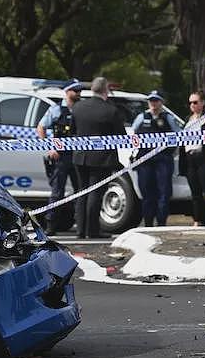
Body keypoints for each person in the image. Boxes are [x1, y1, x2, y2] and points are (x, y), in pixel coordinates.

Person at [71, 76, 126, 239]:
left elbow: (73, 130)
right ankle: (92, 230)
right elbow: (121, 136)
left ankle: (80, 230)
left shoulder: (78, 107)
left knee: (82, 193)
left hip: (80, 156)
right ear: (106, 90)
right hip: (102, 159)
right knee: (95, 193)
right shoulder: (110, 110)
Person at [36, 78, 84, 235]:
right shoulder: (56, 109)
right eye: (75, 90)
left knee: (80, 191)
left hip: (78, 156)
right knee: (57, 192)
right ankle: (51, 225)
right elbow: (41, 127)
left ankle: (81, 226)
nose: (78, 93)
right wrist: (49, 148)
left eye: (79, 90)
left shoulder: (81, 108)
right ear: (67, 92)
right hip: (61, 157)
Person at [131, 90, 182, 227]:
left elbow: (179, 136)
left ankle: (161, 222)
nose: (153, 103)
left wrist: (171, 151)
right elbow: (133, 135)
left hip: (163, 160)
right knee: (147, 192)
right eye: (151, 100)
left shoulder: (168, 118)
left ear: (161, 102)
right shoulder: (142, 117)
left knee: (163, 193)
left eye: (156, 100)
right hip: (145, 161)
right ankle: (148, 222)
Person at [184, 90, 205, 227]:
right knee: (195, 191)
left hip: (203, 157)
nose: (192, 105)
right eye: (190, 102)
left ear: (202, 103)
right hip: (190, 158)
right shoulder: (188, 120)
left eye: (195, 102)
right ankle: (197, 219)